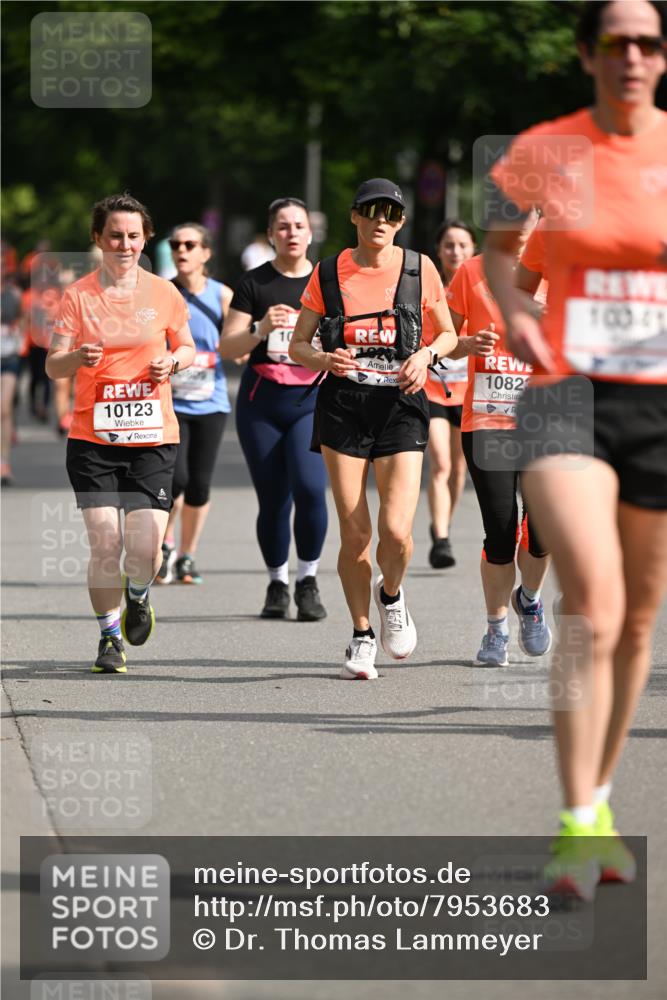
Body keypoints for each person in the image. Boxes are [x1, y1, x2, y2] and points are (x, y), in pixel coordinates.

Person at [484, 0, 667, 898]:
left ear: (662, 58)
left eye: (647, 42)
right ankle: (574, 822)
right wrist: (517, 312)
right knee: (591, 596)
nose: (629, 56)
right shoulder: (542, 150)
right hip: (565, 396)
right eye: (613, 41)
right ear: (585, 52)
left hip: (660, 405)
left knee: (637, 617)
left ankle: (597, 799)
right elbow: (494, 253)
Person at [289, 178, 458, 679]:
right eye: (371, 210)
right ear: (355, 217)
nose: (380, 219)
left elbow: (448, 333)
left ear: (401, 222)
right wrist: (323, 356)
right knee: (356, 531)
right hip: (344, 404)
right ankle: (362, 635)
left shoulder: (418, 268)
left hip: (401, 404)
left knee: (397, 532)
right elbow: (298, 345)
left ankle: (391, 595)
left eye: (390, 213)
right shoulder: (328, 272)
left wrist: (426, 355)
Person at [46, 192, 195, 673]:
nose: (124, 244)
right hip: (94, 439)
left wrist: (171, 361)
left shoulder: (164, 292)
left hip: (153, 435)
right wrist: (77, 358)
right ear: (98, 238)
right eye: (115, 235)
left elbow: (188, 348)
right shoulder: (79, 296)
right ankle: (110, 638)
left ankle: (138, 593)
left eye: (133, 236)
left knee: (146, 548)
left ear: (146, 238)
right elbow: (53, 365)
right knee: (106, 544)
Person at [220, 197, 328, 622]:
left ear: (311, 231)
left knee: (309, 487)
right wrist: (261, 328)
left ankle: (308, 580)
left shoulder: (328, 280)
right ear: (270, 235)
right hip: (262, 402)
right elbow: (228, 347)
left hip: (312, 400)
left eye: (299, 225)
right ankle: (277, 582)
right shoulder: (254, 283)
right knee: (273, 498)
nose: (292, 233)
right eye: (282, 226)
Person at [156, 223, 233, 584]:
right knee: (176, 480)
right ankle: (165, 544)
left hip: (211, 402)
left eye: (190, 244)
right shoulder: (161, 293)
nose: (181, 250)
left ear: (206, 252)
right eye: (175, 244)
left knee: (200, 484)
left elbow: (236, 345)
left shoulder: (222, 296)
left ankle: (187, 555)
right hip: (170, 402)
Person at [423, 220, 476, 568]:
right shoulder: (428, 286)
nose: (455, 252)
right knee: (441, 462)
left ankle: (442, 522)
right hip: (432, 388)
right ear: (439, 251)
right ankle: (441, 538)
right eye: (449, 245)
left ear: (472, 250)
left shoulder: (483, 285)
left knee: (459, 470)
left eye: (462, 245)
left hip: (469, 390)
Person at [1, 268, 23, 484]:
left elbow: (22, 320)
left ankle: (3, 463)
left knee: (4, 409)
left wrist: (19, 337)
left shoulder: (12, 295)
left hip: (8, 358)